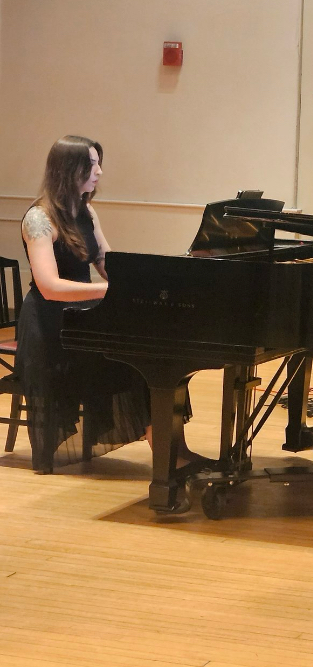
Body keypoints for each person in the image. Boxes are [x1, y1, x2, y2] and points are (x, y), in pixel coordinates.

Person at [17, 135, 197, 472]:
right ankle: (166, 457)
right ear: (69, 169)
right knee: (137, 364)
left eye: (100, 163)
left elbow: (106, 262)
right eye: (92, 164)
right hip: (52, 329)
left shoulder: (85, 210)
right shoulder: (39, 219)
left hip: (82, 317)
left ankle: (172, 449)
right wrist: (108, 290)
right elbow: (49, 286)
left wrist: (152, 276)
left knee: (156, 358)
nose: (99, 171)